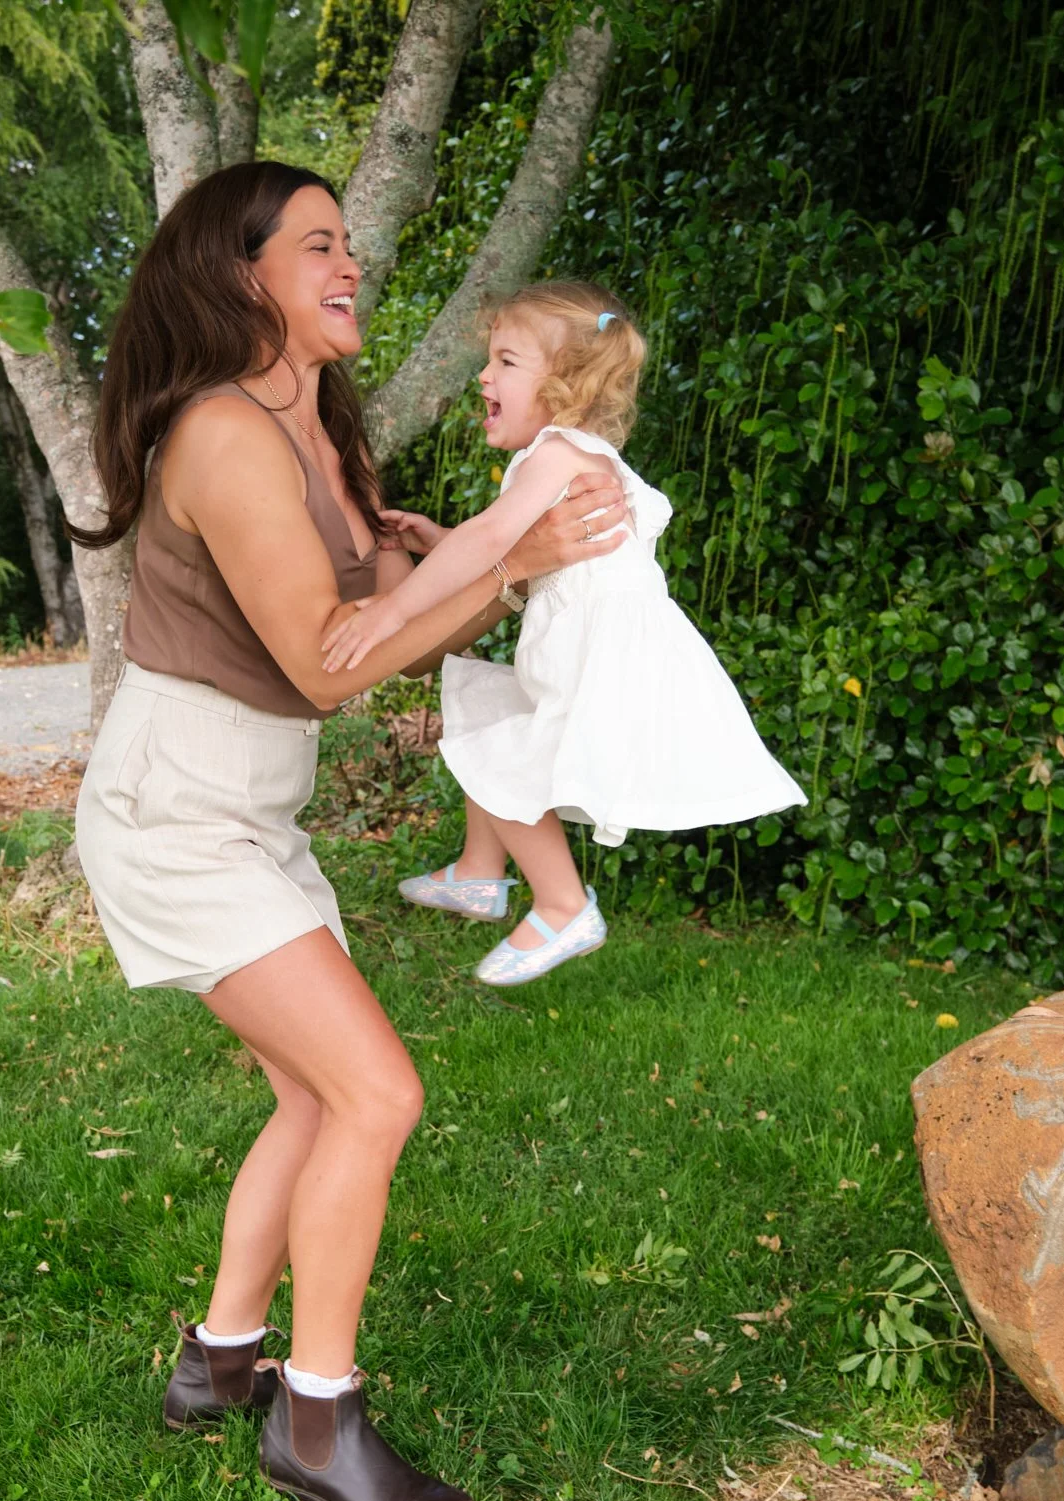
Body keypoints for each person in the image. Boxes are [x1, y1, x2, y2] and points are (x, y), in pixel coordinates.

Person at [66, 163, 629, 1501]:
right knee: (376, 1091)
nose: (350, 260)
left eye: (349, 240)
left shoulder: (313, 415)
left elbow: (368, 594)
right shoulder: (223, 435)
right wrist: (504, 561)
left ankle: (218, 1358)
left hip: (247, 806)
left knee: (318, 1098)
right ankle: (316, 1416)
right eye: (317, 243)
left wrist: (444, 556)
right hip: (176, 806)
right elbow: (330, 665)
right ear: (237, 271)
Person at [319, 282, 805, 984]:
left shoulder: (556, 452)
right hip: (613, 650)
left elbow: (493, 537)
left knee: (507, 753)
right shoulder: (578, 456)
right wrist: (436, 540)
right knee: (485, 711)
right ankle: (481, 870)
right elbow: (501, 544)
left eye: (506, 362)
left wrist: (391, 611)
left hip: (597, 658)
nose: (484, 376)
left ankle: (562, 902)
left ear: (565, 386)